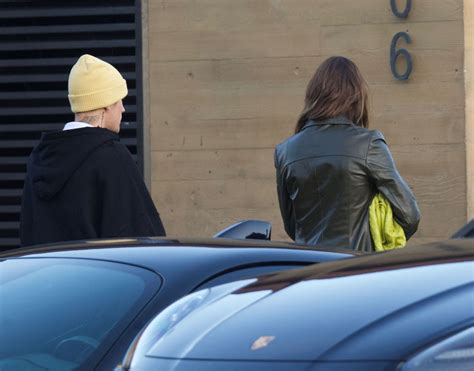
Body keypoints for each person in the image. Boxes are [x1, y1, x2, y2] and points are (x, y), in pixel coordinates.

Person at [274, 56, 420, 252]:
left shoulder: (285, 151)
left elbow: (292, 226)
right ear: (356, 96)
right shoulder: (368, 144)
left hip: (308, 270)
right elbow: (410, 215)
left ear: (313, 95)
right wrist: (380, 233)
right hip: (357, 271)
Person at [20, 54, 165, 246]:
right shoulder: (111, 156)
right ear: (105, 105)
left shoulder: (40, 159)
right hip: (98, 275)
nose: (122, 109)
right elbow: (141, 237)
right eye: (119, 100)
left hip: (46, 275)